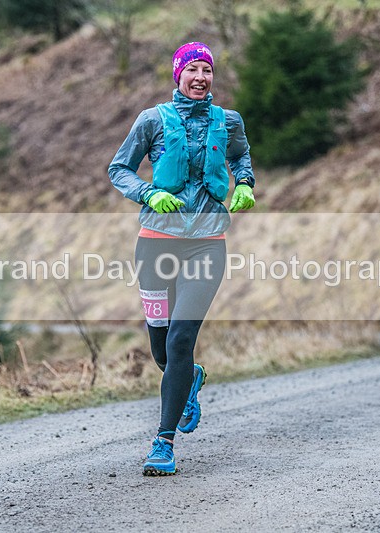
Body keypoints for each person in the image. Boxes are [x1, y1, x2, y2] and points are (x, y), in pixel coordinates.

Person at [108, 42, 256, 475]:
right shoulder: (152, 120)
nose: (200, 77)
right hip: (155, 242)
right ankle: (189, 380)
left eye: (206, 70)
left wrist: (244, 182)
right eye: (191, 69)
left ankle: (163, 444)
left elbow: (240, 155)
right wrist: (149, 192)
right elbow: (119, 168)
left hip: (207, 242)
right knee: (161, 346)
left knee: (179, 341)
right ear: (178, 75)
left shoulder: (228, 120)